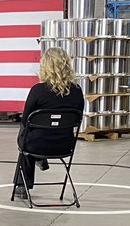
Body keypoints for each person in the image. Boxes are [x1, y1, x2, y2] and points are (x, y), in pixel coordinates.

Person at [12, 47, 86, 200]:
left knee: (24, 137)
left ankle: (22, 185)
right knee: (31, 136)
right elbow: (78, 119)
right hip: (65, 145)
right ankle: (39, 159)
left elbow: (25, 119)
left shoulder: (37, 90)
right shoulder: (77, 91)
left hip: (37, 144)